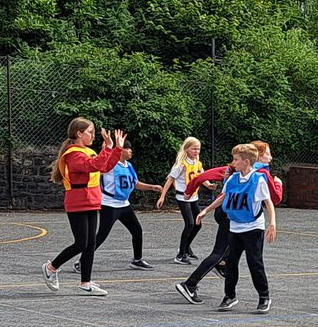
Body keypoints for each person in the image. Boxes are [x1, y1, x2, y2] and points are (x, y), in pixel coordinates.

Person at [42, 118, 124, 296]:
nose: (93, 136)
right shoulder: (73, 154)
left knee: (90, 243)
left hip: (92, 200)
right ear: (79, 134)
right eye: (90, 132)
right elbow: (92, 166)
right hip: (77, 201)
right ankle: (51, 267)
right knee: (81, 243)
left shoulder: (88, 151)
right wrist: (108, 149)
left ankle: (85, 282)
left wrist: (117, 149)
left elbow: (104, 167)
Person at [197, 143, 277, 312]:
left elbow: (268, 202)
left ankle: (264, 296)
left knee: (254, 262)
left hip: (253, 228)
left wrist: (272, 223)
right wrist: (206, 210)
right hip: (235, 227)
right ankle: (230, 296)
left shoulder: (257, 179)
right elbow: (223, 197)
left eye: (236, 160)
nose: (233, 163)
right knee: (231, 263)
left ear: (246, 162)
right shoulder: (233, 179)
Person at [78, 141, 161, 272]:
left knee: (137, 230)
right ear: (121, 150)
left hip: (124, 204)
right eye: (128, 149)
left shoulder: (128, 165)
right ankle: (82, 261)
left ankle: (137, 260)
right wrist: (105, 150)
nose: (131, 151)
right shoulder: (109, 165)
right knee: (102, 235)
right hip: (109, 204)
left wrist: (152, 187)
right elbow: (96, 169)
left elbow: (135, 183)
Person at [173, 157, 235, 305]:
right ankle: (190, 284)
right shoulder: (249, 172)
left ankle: (223, 267)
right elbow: (274, 197)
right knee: (220, 252)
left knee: (237, 247)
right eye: (267, 154)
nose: (269, 158)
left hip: (227, 212)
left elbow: (203, 176)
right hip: (230, 214)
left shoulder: (237, 171)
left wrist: (190, 191)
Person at [156, 136, 206, 264]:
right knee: (189, 223)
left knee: (198, 223)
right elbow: (170, 180)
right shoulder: (181, 164)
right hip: (182, 197)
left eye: (198, 149)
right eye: (194, 149)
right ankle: (180, 255)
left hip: (193, 196)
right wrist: (162, 196)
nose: (196, 151)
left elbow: (201, 177)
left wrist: (209, 184)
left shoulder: (197, 163)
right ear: (187, 149)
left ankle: (186, 247)